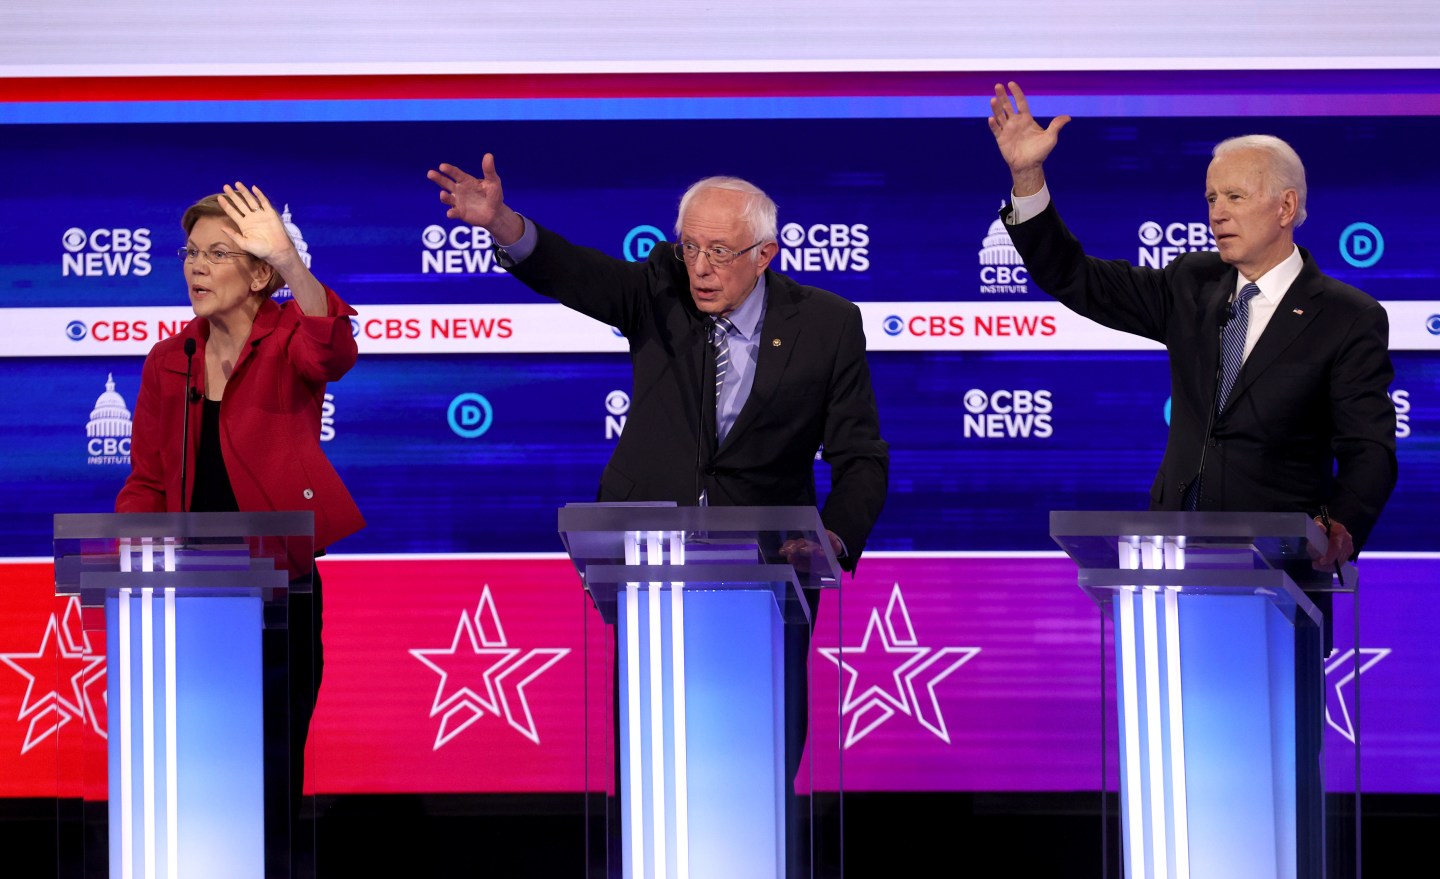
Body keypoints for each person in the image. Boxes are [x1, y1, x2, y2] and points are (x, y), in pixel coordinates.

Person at [428, 155, 888, 873]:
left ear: (766, 254)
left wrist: (834, 535)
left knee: (760, 761)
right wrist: (504, 226)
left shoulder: (826, 324)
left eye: (721, 252)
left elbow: (861, 456)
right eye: (690, 247)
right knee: (653, 760)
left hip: (771, 583)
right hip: (652, 580)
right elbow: (575, 272)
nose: (701, 267)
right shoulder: (659, 291)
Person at [987, 82, 1397, 567]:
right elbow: (1074, 278)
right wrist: (1028, 176)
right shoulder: (1190, 284)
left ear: (1285, 207)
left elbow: (1369, 450)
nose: (1217, 214)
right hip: (1173, 557)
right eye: (1211, 198)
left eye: (1235, 196)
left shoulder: (1346, 316)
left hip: (1282, 569)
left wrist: (1337, 525)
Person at [116, 182, 365, 876]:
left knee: (268, 784)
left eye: (216, 253)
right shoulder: (170, 360)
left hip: (278, 600)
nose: (194, 267)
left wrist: (290, 260)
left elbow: (334, 351)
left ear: (257, 272)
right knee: (188, 778)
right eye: (189, 253)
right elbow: (146, 481)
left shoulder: (288, 338)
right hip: (185, 605)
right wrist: (133, 564)